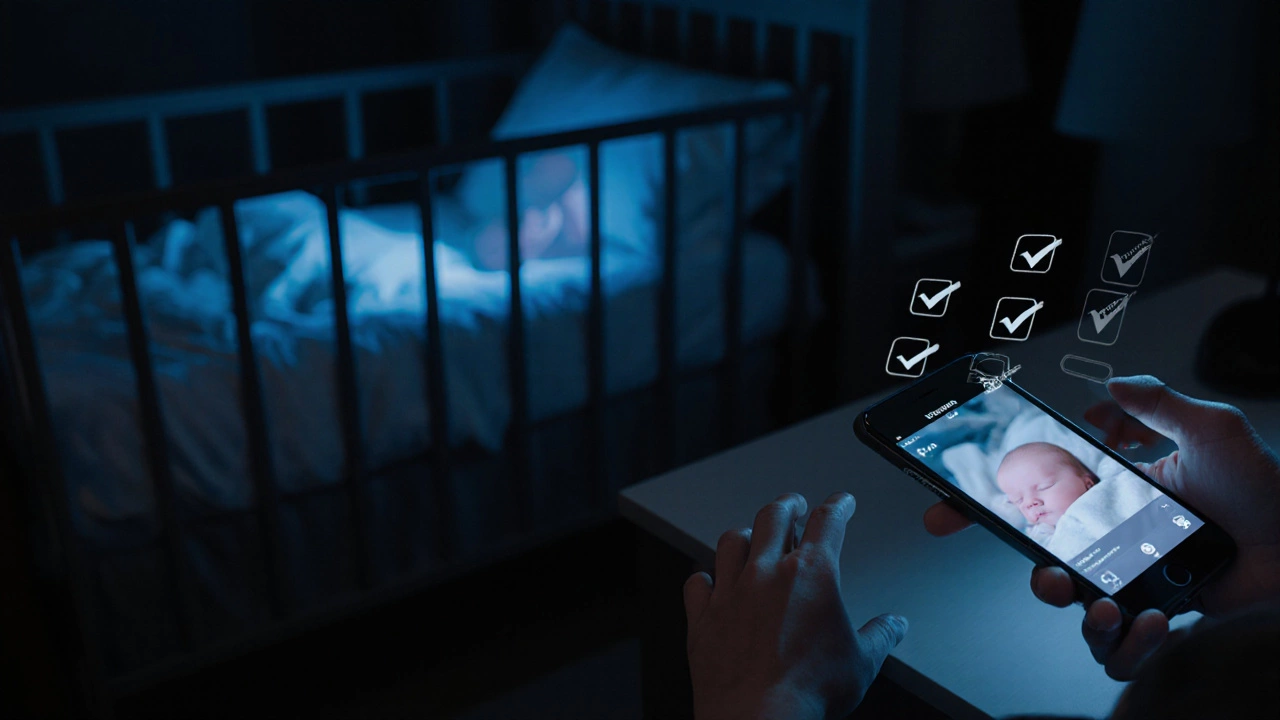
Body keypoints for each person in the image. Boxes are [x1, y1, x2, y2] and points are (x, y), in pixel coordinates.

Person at [685, 376, 1280, 719]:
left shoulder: (1119, 484)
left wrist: (766, 704)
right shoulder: (1051, 531)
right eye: (1021, 501)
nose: (1034, 506)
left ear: (1091, 476)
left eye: (1043, 486)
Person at [996, 441, 1098, 542]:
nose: (1029, 502)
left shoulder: (1100, 498)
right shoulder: (1039, 537)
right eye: (1019, 500)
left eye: (1044, 487)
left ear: (1087, 483)